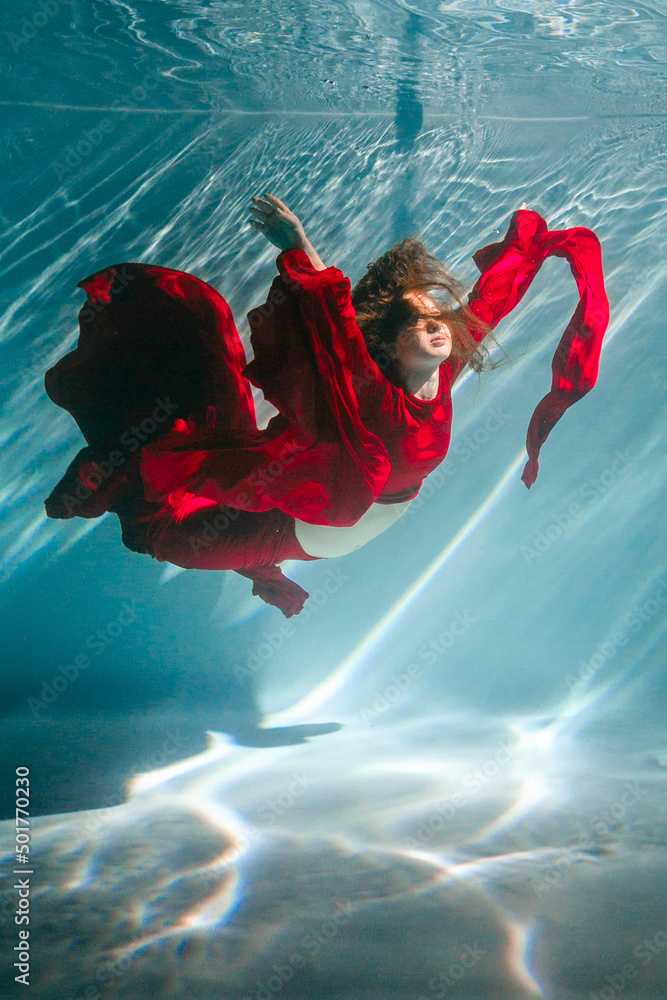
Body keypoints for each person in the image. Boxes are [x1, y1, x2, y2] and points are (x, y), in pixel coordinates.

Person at [44, 194, 609, 616]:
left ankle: (178, 463)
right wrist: (297, 244)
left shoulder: (445, 364)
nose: (438, 325)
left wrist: (524, 248)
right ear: (388, 344)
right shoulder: (372, 392)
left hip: (330, 515)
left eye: (437, 315)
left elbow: (489, 304)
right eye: (417, 321)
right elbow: (333, 321)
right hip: (299, 530)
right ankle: (128, 424)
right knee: (159, 534)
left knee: (208, 493)